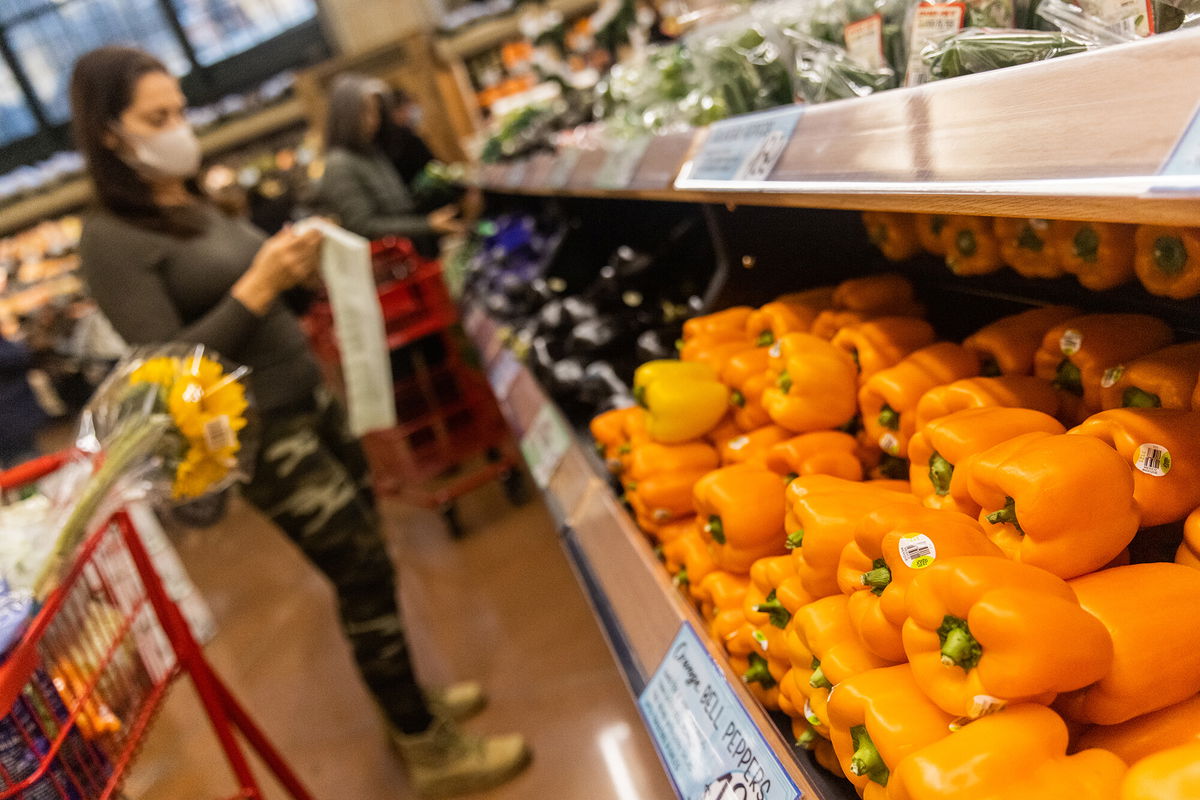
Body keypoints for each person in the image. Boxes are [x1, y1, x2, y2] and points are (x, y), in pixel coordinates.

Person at [69, 47, 530, 797]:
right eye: (158, 118)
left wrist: (298, 267)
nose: (179, 128)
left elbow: (265, 304)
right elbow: (163, 373)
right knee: (362, 571)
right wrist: (258, 286)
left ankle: (407, 705)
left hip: (309, 400)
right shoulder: (109, 239)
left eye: (180, 110)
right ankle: (427, 747)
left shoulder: (187, 205)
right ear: (111, 134)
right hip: (260, 438)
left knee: (370, 554)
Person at [316, 75, 463, 242]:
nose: (375, 120)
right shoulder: (339, 164)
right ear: (347, 115)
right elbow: (362, 226)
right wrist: (426, 225)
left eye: (376, 111)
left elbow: (397, 205)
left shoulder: (372, 152)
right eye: (366, 111)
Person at [379, 87, 435, 189]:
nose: (411, 112)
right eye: (407, 107)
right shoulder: (405, 138)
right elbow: (434, 168)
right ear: (394, 112)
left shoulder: (406, 136)